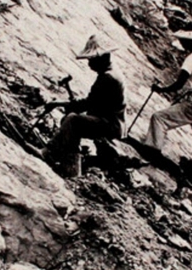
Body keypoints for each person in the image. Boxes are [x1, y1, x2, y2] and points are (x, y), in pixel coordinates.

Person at [36, 35, 127, 178]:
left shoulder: (108, 78)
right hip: (111, 122)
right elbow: (93, 103)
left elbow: (86, 104)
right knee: (70, 121)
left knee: (73, 121)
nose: (89, 63)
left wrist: (57, 104)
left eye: (91, 59)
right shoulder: (111, 72)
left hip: (110, 125)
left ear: (102, 58)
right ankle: (66, 161)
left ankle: (54, 155)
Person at [143, 31, 192, 191]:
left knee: (159, 118)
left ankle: (151, 152)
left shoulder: (191, 58)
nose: (182, 44)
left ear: (190, 42)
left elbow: (179, 84)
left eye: (184, 41)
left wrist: (161, 89)